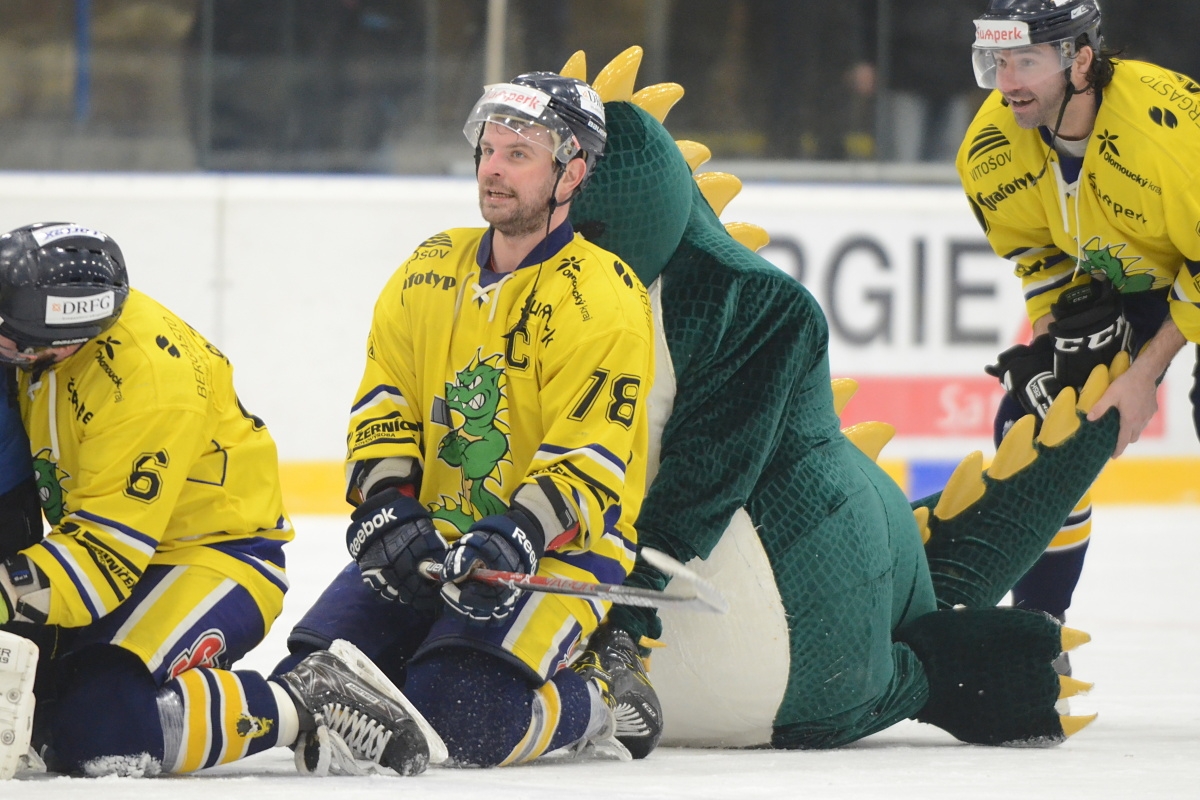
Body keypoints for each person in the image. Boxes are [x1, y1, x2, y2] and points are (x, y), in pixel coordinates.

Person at [279, 71, 661, 767]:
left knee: (465, 718)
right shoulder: (428, 267)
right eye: (489, 149)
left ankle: (603, 689)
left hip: (555, 551)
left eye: (520, 155)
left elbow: (592, 457)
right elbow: (384, 402)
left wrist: (518, 531)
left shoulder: (605, 295)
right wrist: (390, 509)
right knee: (312, 680)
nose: (493, 168)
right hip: (437, 537)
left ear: (572, 173)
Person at [0, 222, 438, 779]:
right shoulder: (42, 328)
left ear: (63, 337)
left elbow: (100, 565)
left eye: (10, 336)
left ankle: (305, 696)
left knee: (99, 732)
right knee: (38, 705)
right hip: (120, 551)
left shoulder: (150, 382)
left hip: (214, 559)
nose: (2, 341)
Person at [957, 0, 1200, 641]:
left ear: (1081, 60)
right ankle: (1036, 635)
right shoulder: (990, 146)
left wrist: (1146, 373)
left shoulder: (1166, 139)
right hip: (1135, 271)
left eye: (1027, 61)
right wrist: (1051, 337)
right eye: (998, 61)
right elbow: (1037, 257)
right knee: (1036, 423)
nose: (1008, 82)